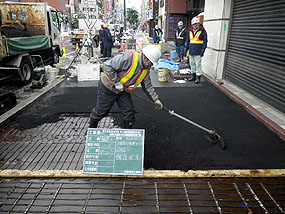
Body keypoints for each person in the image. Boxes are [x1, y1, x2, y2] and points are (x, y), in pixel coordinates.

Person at [89, 45, 164, 129]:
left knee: (129, 112)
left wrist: (155, 99)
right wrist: (117, 82)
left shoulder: (145, 69)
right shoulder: (128, 58)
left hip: (122, 89)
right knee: (101, 111)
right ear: (146, 58)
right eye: (151, 63)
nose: (151, 66)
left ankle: (127, 135)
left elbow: (147, 86)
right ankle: (91, 130)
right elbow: (107, 66)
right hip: (108, 87)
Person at [187, 16, 208, 84]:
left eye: (196, 24)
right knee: (192, 64)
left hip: (198, 51)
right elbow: (188, 41)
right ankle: (193, 76)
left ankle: (198, 77)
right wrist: (186, 49)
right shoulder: (190, 31)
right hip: (191, 50)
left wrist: (203, 50)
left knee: (198, 64)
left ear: (198, 23)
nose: (195, 25)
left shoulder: (202, 31)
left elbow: (205, 41)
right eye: (194, 24)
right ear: (192, 25)